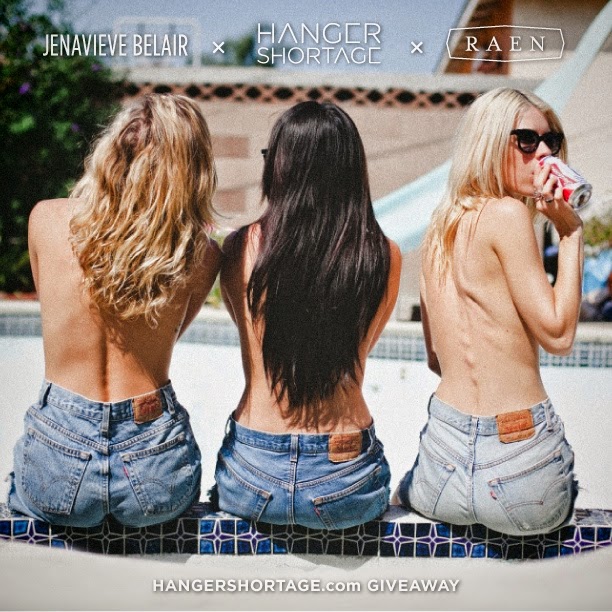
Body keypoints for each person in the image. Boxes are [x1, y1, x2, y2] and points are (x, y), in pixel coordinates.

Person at [8, 94, 221, 527]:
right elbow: (168, 338)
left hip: (59, 450)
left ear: (110, 149)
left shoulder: (45, 219)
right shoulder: (200, 253)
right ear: (192, 170)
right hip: (153, 460)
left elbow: (52, 310)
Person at [395, 88, 582, 536]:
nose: (543, 153)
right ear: (490, 142)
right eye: (526, 140)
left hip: (441, 468)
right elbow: (559, 336)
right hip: (520, 466)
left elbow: (436, 359)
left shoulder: (438, 227)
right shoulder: (507, 215)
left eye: (551, 141)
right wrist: (570, 233)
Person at [213, 101, 401, 530]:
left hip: (254, 471)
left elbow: (249, 333)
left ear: (282, 167)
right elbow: (361, 347)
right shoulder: (384, 255)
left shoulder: (240, 248)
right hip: (344, 475)